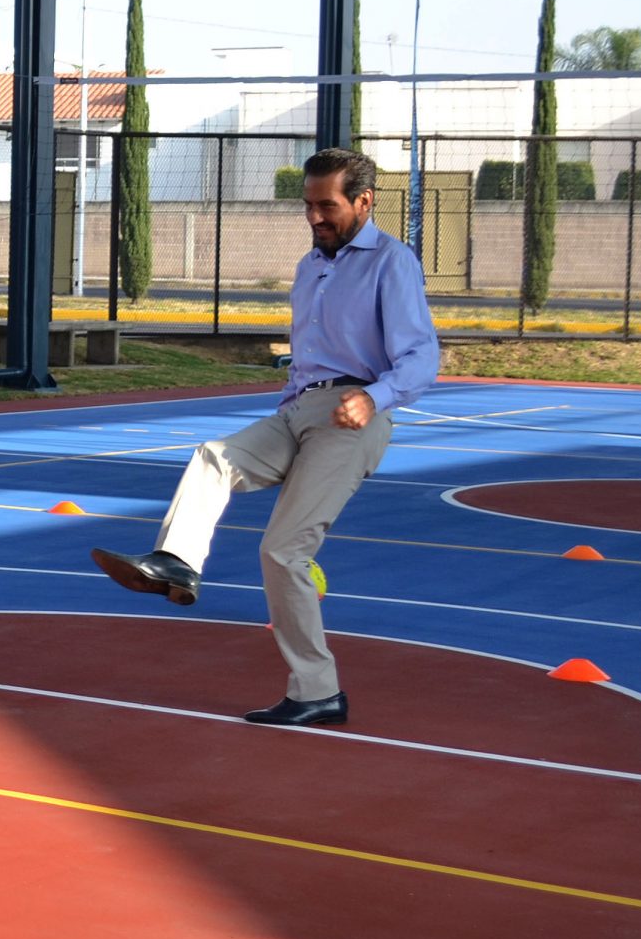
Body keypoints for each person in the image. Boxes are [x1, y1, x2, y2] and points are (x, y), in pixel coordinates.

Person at [91, 146, 439, 727]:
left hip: (352, 416)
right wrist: (289, 407)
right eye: (308, 205)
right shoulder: (311, 267)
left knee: (282, 551)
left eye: (327, 206)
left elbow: (422, 358)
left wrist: (374, 397)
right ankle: (176, 563)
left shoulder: (392, 262)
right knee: (213, 458)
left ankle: (318, 692)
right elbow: (309, 355)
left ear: (364, 201)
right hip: (298, 411)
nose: (314, 217)